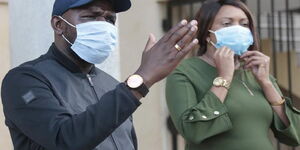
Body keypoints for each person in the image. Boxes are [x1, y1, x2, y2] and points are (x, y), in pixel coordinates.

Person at [1, 0, 199, 149]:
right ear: (58, 24)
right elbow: (66, 139)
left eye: (109, 19)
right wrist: (142, 78)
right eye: (90, 16)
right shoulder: (25, 80)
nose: (103, 25)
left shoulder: (112, 85)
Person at [165, 0, 300, 150]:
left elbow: (295, 135)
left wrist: (266, 83)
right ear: (206, 33)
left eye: (244, 24)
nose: (238, 29)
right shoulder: (185, 72)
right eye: (227, 24)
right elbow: (193, 131)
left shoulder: (257, 73)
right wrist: (224, 78)